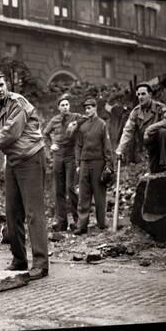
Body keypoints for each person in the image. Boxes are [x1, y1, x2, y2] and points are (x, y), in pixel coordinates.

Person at [0, 66, 48, 280]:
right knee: (13, 213)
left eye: (1, 85)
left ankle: (41, 264)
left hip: (31, 158)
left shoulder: (18, 103)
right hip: (13, 161)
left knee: (33, 213)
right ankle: (19, 260)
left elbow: (9, 133)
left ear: (6, 85)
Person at [42, 93, 83, 232]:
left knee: (70, 188)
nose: (65, 107)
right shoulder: (54, 120)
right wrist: (51, 146)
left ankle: (78, 221)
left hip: (70, 155)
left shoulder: (75, 116)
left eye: (67, 105)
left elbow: (86, 120)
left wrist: (76, 124)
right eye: (62, 105)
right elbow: (45, 134)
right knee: (59, 189)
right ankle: (61, 221)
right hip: (58, 156)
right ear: (58, 107)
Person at [73, 98, 114, 235]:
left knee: (99, 194)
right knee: (83, 195)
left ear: (95, 108)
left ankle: (101, 224)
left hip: (98, 162)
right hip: (84, 163)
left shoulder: (102, 124)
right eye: (86, 108)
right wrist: (78, 163)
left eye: (90, 107)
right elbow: (78, 146)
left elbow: (107, 146)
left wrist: (109, 165)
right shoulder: (82, 126)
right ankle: (82, 226)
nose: (87, 110)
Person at [115, 83, 166, 173]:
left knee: (163, 132)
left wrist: (150, 128)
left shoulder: (159, 107)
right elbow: (128, 131)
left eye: (143, 94)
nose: (140, 97)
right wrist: (120, 149)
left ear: (150, 95)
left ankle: (164, 165)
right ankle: (160, 168)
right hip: (151, 147)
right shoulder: (135, 112)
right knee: (155, 172)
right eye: (138, 94)